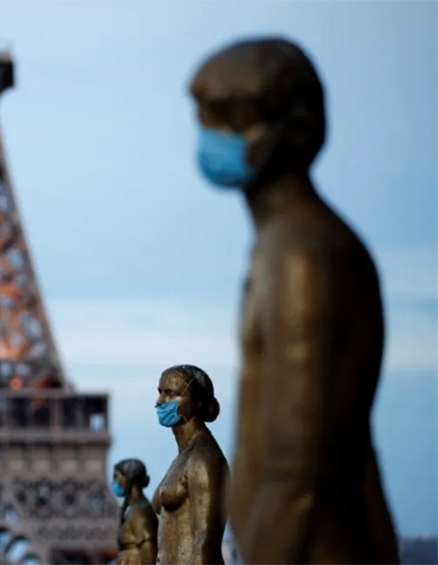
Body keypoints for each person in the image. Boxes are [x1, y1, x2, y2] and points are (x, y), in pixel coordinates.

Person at [189, 37, 400, 563]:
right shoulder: (286, 247)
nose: (211, 135)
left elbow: (294, 471)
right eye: (206, 116)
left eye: (231, 118)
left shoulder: (300, 257)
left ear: (296, 128)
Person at [151, 364, 228, 564]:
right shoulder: (183, 457)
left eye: (171, 394)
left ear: (197, 403)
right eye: (160, 393)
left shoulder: (204, 458)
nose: (160, 402)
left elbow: (205, 541)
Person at [112, 458, 158, 564]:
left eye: (116, 476)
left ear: (128, 478)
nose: (114, 481)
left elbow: (148, 547)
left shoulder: (140, 511)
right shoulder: (133, 510)